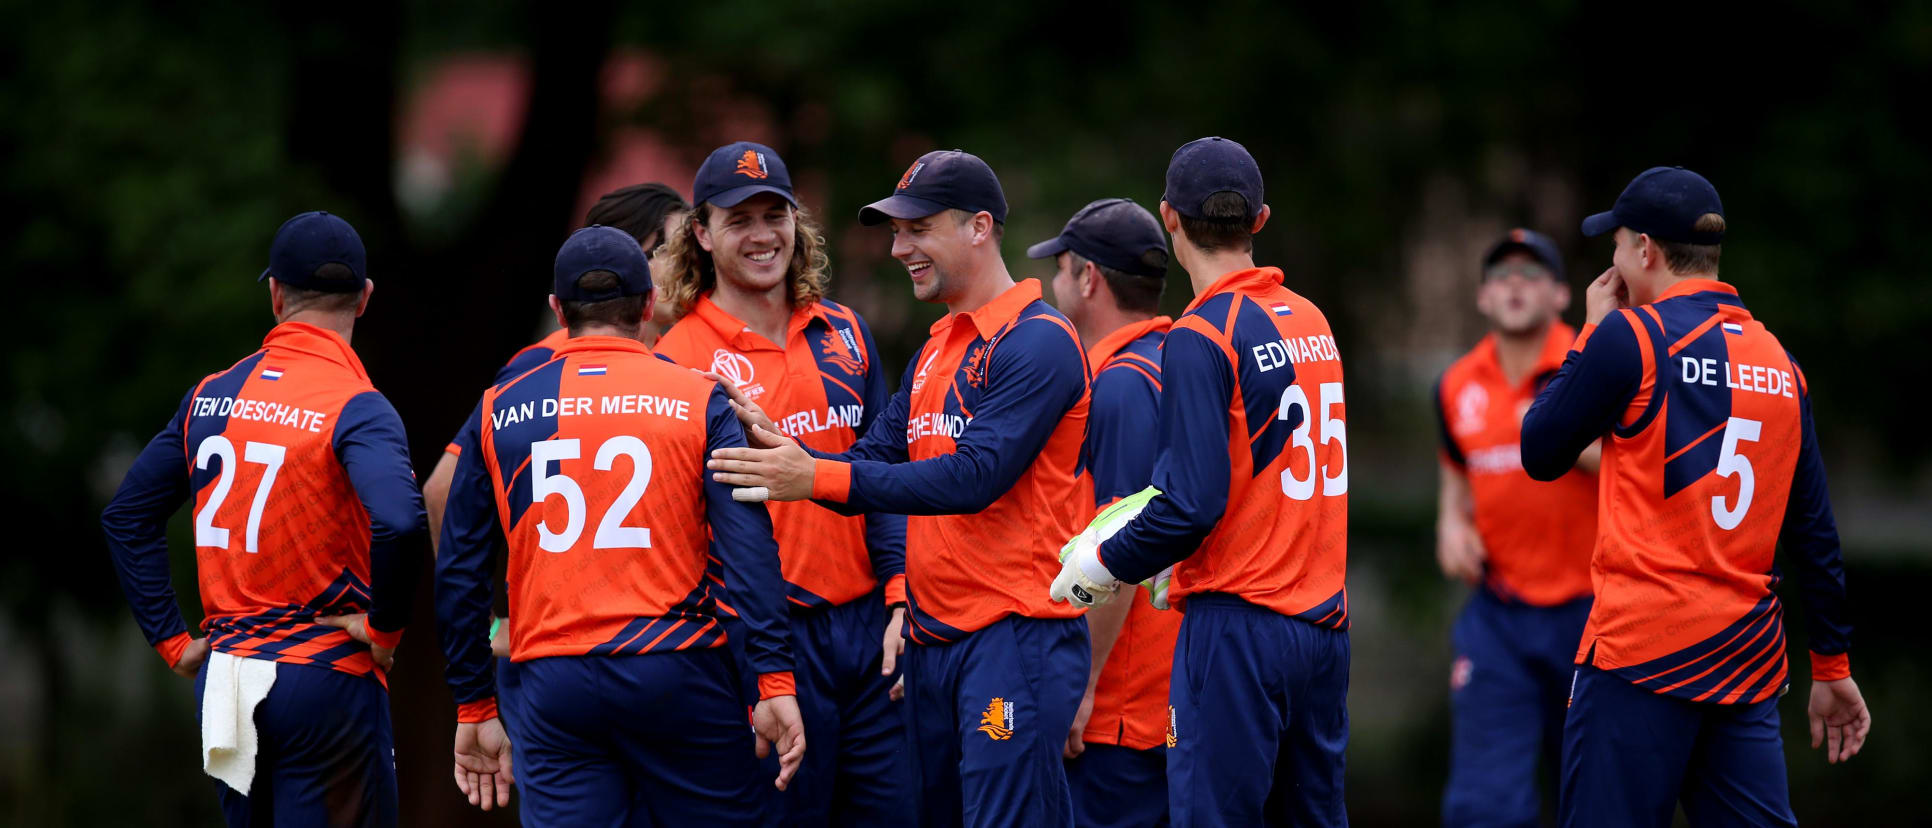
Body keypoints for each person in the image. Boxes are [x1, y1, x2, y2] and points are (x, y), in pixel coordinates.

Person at [706, 149, 1093, 827]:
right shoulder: (939, 345)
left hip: (1014, 639)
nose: (898, 247)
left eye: (917, 228)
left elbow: (974, 477)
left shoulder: (1039, 341)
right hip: (935, 640)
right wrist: (784, 449)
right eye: (895, 230)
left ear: (979, 226)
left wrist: (811, 474)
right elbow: (873, 458)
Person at [1520, 167, 1869, 827]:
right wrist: (1831, 665)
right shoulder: (1782, 366)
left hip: (1640, 656)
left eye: (1618, 244)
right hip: (1744, 665)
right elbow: (1814, 530)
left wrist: (1591, 332)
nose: (1614, 259)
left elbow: (1540, 449)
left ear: (1645, 251)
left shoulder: (1635, 338)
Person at [435, 225, 805, 825]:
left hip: (553, 679)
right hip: (675, 665)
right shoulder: (700, 397)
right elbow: (749, 552)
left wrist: (474, 705)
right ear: (649, 305)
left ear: (558, 310)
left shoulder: (498, 406)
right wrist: (775, 679)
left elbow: (459, 570)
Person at [1048, 137, 1351, 827]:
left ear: (1170, 218)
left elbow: (1191, 502)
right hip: (1325, 627)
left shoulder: (1202, 331)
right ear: (1260, 220)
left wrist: (1103, 561)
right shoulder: (1314, 320)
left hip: (1239, 627)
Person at [100, 211, 424, 826]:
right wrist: (384, 633)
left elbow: (126, 515)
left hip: (226, 680)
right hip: (323, 680)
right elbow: (402, 521)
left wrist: (173, 641)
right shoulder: (358, 405)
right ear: (365, 299)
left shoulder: (211, 394)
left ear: (275, 294)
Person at [653, 141, 908, 826]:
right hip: (769, 642)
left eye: (776, 214)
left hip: (869, 634)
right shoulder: (677, 361)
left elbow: (880, 477)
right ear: (701, 234)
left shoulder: (845, 331)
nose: (763, 235)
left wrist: (899, 596)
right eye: (739, 220)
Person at [1432, 228, 1598, 826]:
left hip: (1595, 618)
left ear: (1560, 295)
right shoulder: (1455, 385)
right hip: (1499, 616)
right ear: (1482, 297)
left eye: (1532, 275)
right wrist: (1450, 523)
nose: (1515, 286)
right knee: (1484, 805)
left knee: (1596, 802)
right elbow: (1456, 472)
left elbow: (1646, 466)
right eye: (1502, 275)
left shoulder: (1593, 367)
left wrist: (1562, 432)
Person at [1031, 197, 1180, 828]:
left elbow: (1121, 544)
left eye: (1061, 268)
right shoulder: (1179, 359)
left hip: (1125, 698)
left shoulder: (1118, 384)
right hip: (1175, 685)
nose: (1053, 282)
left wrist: (1083, 685)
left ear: (1088, 277)